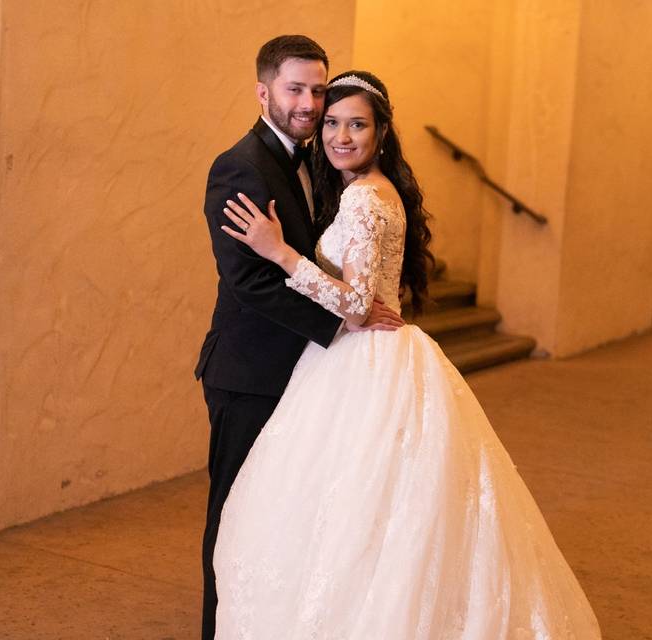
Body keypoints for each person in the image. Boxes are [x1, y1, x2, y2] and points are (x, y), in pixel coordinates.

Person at [212, 69, 601, 639]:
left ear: (383, 132)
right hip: (369, 357)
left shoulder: (368, 198)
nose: (341, 135)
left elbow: (354, 304)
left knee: (358, 512)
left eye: (358, 125)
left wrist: (282, 253)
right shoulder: (366, 189)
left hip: (365, 362)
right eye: (334, 124)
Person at [194, 36, 404, 640]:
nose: (310, 103)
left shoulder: (319, 160)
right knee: (233, 518)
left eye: (319, 89)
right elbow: (247, 282)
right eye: (296, 89)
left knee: (284, 517)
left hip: (308, 374)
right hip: (251, 372)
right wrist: (345, 320)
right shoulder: (240, 165)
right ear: (264, 91)